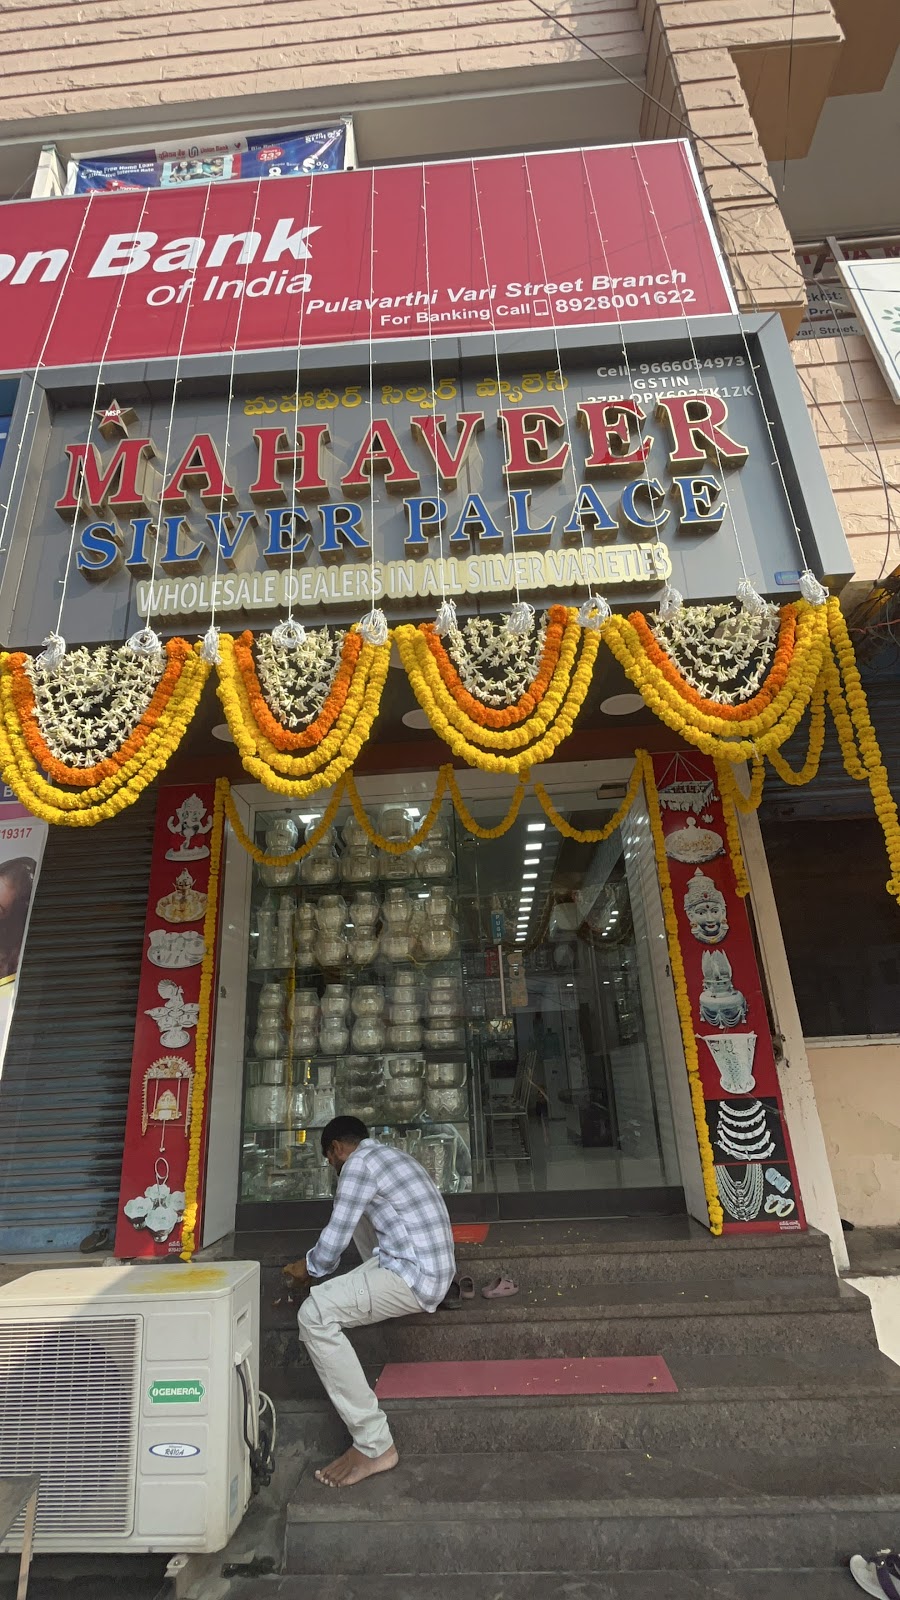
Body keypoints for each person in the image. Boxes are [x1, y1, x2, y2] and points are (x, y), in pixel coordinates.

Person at [283, 1115, 456, 1489]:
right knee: (358, 1214)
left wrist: (308, 1268)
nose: (333, 1167)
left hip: (415, 1276)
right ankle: (361, 1288)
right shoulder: (392, 1156)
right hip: (428, 1268)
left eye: (330, 1160)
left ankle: (375, 1444)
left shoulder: (357, 1165)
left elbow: (334, 1238)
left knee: (314, 1315)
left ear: (336, 1149)